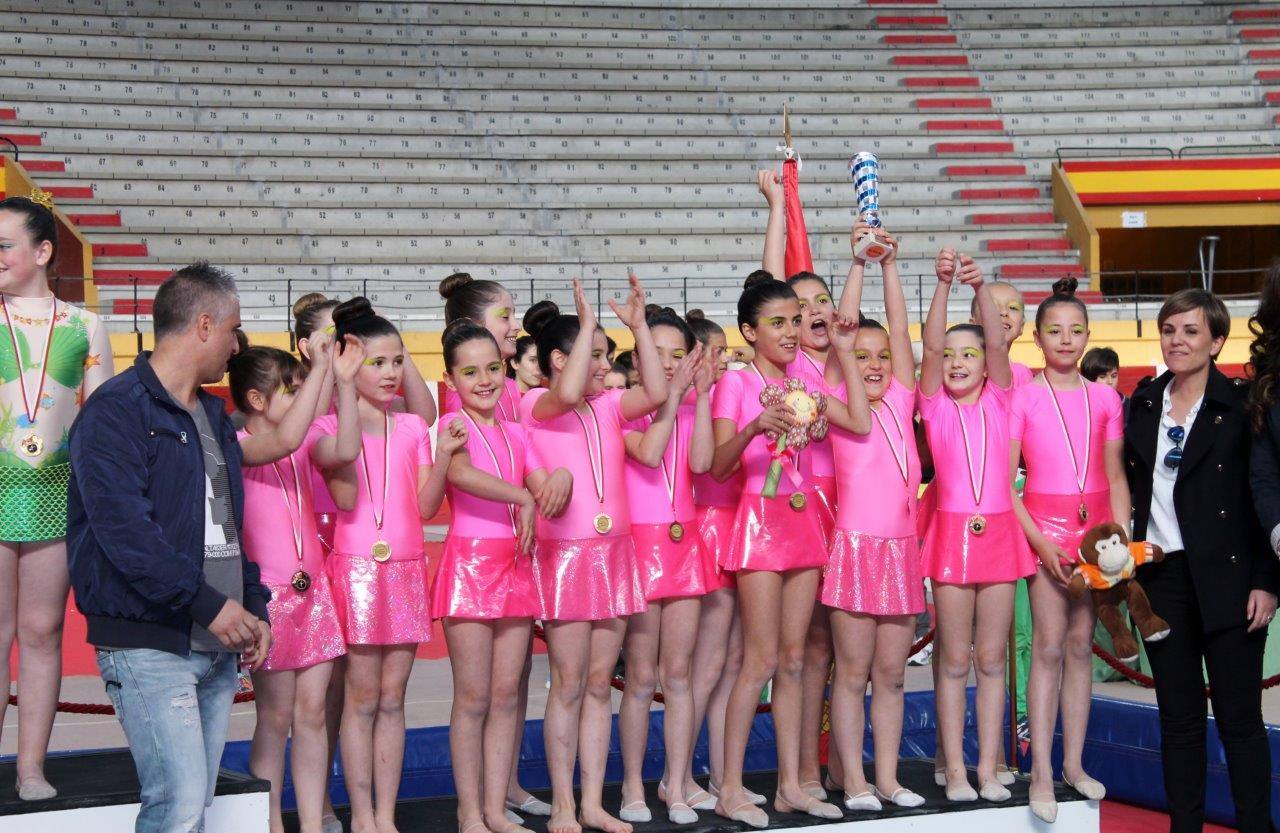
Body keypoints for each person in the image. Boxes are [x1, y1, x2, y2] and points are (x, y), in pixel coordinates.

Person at [67, 263, 272, 833]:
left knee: (191, 808)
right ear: (204, 325)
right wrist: (212, 605)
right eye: (233, 329)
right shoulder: (114, 411)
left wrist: (254, 604)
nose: (238, 345)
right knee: (178, 807)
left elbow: (231, 524)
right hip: (152, 641)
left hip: (216, 638)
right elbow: (126, 535)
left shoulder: (212, 415)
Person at [709, 276, 871, 829]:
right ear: (750, 332)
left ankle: (788, 787)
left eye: (794, 321)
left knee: (796, 659)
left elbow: (858, 421)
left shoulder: (805, 376)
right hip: (758, 521)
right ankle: (729, 787)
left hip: (803, 522)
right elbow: (718, 465)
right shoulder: (734, 384)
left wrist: (844, 352)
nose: (789, 331)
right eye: (776, 323)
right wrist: (756, 425)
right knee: (759, 660)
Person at [310, 297, 464, 833]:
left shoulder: (414, 430)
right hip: (353, 570)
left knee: (393, 699)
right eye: (377, 362)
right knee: (360, 697)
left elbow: (424, 508)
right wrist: (345, 389)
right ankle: (360, 815)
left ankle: (385, 814)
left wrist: (441, 456)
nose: (390, 372)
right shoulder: (325, 426)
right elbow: (346, 493)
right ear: (348, 365)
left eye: (397, 360)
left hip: (404, 570)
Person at [520, 274, 667, 833]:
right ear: (561, 359)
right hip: (568, 557)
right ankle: (561, 802)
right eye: (596, 356)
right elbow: (562, 392)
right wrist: (587, 329)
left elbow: (655, 391)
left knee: (602, 683)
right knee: (569, 681)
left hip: (615, 552)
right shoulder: (539, 403)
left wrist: (638, 329)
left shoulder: (607, 407)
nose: (607, 367)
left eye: (607, 355)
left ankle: (591, 802)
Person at [1128, 288, 1277, 833]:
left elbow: (1264, 496)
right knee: (1180, 721)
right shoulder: (1141, 403)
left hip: (1234, 580)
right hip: (1162, 581)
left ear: (1216, 341)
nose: (1177, 341)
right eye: (1170, 330)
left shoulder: (1242, 406)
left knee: (1240, 721)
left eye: (1191, 332)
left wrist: (1267, 581)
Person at [0, 194, 114, 800]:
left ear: (43, 251)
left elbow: (103, 418)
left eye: (4, 244)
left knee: (42, 631)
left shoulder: (84, 324)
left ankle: (30, 767)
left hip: (55, 492)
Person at [436, 320, 565, 833]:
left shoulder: (516, 431)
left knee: (508, 693)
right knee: (472, 697)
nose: (484, 380)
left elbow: (542, 483)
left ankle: (494, 807)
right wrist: (524, 498)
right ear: (450, 379)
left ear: (507, 368)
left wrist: (562, 477)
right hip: (469, 566)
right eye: (470, 372)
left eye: (493, 368)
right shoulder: (452, 429)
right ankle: (469, 812)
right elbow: (461, 475)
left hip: (515, 564)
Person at [1009, 279, 1129, 823]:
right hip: (1044, 531)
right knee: (1050, 648)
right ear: (1037, 339)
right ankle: (1040, 774)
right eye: (1054, 330)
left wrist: (1120, 538)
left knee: (1082, 647)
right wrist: (1040, 543)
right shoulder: (1024, 396)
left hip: (1097, 534)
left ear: (1088, 336)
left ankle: (1074, 765)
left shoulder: (1105, 398)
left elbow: (1115, 474)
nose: (1065, 339)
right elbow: (1003, 484)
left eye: (1075, 330)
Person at [918, 249, 1035, 804]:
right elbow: (933, 341)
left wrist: (981, 285)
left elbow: (994, 339)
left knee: (992, 660)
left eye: (971, 354)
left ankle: (989, 768)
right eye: (950, 356)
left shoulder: (1003, 396)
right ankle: (957, 769)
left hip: (1000, 539)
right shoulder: (934, 404)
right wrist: (943, 287)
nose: (959, 361)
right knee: (953, 660)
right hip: (951, 538)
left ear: (990, 364)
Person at [230, 340, 362, 833]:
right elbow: (284, 439)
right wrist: (321, 371)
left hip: (314, 593)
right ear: (258, 400)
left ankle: (311, 821)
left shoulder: (304, 445)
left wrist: (343, 385)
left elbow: (346, 448)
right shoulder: (240, 446)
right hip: (270, 598)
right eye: (292, 390)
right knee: (275, 717)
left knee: (313, 715)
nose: (303, 397)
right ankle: (269, 823)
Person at [822, 221, 926, 812]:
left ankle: (887, 777)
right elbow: (845, 327)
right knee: (853, 674)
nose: (875, 364)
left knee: (891, 676)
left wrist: (889, 263)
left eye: (883, 357)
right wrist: (858, 263)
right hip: (856, 548)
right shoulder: (840, 407)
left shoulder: (906, 397)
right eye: (862, 356)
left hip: (902, 549)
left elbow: (902, 329)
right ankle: (853, 780)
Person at [757, 169, 843, 797]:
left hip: (850, 512)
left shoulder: (849, 361)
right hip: (796, 511)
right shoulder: (789, 366)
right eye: (799, 308)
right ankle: (805, 769)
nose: (810, 315)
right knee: (807, 646)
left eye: (820, 303)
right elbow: (766, 288)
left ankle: (843, 763)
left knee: (847, 652)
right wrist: (776, 212)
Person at [616, 311, 713, 825]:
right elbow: (649, 459)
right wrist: (672, 399)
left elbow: (699, 465)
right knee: (639, 677)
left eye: (680, 353)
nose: (671, 364)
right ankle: (632, 783)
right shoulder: (624, 411)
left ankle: (676, 782)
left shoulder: (694, 404)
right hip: (638, 547)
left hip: (685, 544)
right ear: (637, 360)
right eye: (658, 353)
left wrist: (706, 395)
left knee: (679, 675)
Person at [672, 312, 759, 811]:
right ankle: (677, 776)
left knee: (733, 664)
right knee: (703, 669)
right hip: (707, 528)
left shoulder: (732, 396)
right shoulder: (688, 407)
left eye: (725, 352)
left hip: (740, 527)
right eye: (713, 353)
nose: (723, 361)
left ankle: (726, 775)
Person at [440, 273, 523, 421]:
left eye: (514, 316)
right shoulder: (464, 393)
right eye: (505, 317)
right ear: (473, 324)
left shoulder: (510, 385)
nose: (517, 326)